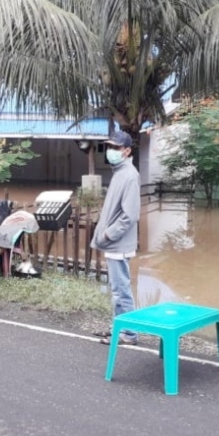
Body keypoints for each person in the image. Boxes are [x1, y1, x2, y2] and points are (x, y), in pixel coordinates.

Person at [91, 130, 141, 346]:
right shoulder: (119, 172)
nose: (111, 151)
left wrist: (108, 234)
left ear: (127, 151)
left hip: (118, 243)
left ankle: (129, 334)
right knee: (117, 290)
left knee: (121, 290)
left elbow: (129, 215)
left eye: (116, 148)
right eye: (109, 147)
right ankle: (119, 328)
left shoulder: (129, 175)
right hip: (114, 243)